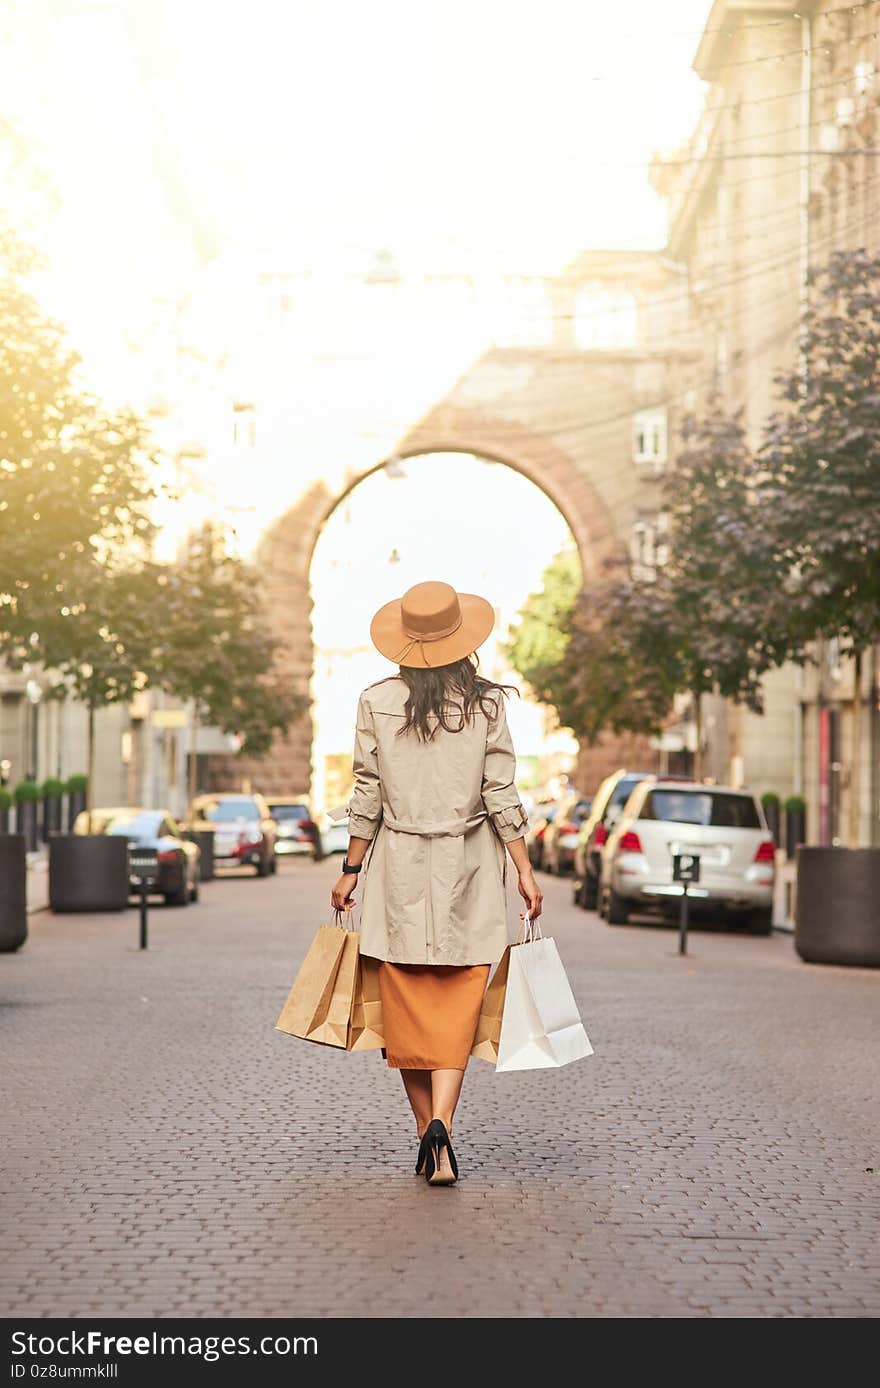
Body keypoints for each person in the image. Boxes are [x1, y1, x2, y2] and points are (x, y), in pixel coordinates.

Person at [331, 580, 543, 1186]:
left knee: (405, 1005)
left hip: (398, 863)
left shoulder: (375, 701)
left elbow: (367, 793)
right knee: (458, 999)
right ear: (461, 640)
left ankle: (427, 1132)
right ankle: (445, 1125)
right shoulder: (486, 706)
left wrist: (350, 869)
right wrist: (524, 869)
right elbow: (501, 794)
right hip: (471, 864)